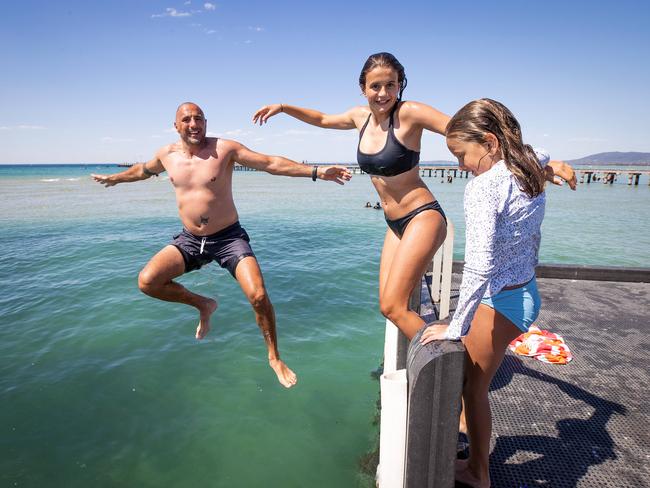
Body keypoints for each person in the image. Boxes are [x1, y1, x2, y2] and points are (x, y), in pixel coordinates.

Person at [253, 52, 575, 342]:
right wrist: (283, 107)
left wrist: (538, 163)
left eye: (390, 85)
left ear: (400, 85)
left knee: (394, 305)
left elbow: (475, 132)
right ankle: (445, 357)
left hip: (422, 216)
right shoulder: (358, 117)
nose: (383, 94)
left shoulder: (411, 113)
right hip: (393, 223)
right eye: (375, 86)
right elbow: (322, 119)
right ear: (363, 88)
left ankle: (446, 363)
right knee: (388, 304)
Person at [92, 102, 351, 389]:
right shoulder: (167, 155)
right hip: (190, 240)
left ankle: (274, 357)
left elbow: (269, 163)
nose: (193, 124)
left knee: (258, 295)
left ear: (205, 122)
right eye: (187, 119)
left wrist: (315, 171)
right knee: (148, 281)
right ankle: (203, 304)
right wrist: (116, 178)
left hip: (228, 237)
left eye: (198, 118)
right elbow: (142, 170)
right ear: (176, 126)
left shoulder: (225, 149)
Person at [420, 98, 556, 487]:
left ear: (491, 142)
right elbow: (543, 151)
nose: (459, 165)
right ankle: (474, 456)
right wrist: (557, 165)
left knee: (473, 388)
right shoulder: (528, 162)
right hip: (523, 290)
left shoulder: (484, 188)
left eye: (462, 154)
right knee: (472, 382)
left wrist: (454, 327)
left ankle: (479, 472)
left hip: (502, 299)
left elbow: (478, 265)